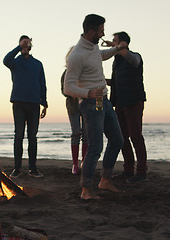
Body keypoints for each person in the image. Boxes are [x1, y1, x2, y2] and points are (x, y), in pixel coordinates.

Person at [64, 14, 127, 200]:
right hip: (91, 104)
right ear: (91, 31)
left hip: (104, 101)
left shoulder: (93, 48)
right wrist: (88, 93)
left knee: (117, 140)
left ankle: (105, 180)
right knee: (95, 147)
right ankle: (86, 189)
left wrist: (117, 48)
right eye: (100, 31)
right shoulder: (76, 55)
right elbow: (68, 87)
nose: (103, 34)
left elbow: (100, 56)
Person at [104, 32, 148, 183]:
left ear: (123, 43)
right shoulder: (116, 61)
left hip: (134, 101)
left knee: (136, 137)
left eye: (115, 41)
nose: (112, 43)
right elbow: (116, 81)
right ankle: (128, 169)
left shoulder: (134, 56)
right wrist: (103, 81)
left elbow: (134, 61)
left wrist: (115, 47)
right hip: (120, 103)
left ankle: (141, 172)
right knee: (122, 138)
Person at [3, 35, 48, 178]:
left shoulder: (38, 64)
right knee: (19, 135)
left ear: (31, 45)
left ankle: (33, 168)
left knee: (32, 137)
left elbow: (42, 84)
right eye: (23, 44)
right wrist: (19, 47)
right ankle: (17, 168)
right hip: (18, 102)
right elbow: (5, 60)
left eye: (27, 43)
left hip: (34, 104)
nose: (25, 46)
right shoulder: (15, 62)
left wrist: (44, 103)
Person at [61, 46, 88, 175]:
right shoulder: (66, 73)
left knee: (87, 134)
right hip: (73, 106)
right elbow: (64, 90)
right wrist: (76, 93)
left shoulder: (86, 71)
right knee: (76, 133)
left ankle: (84, 161)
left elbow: (95, 87)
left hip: (87, 105)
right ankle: (75, 164)